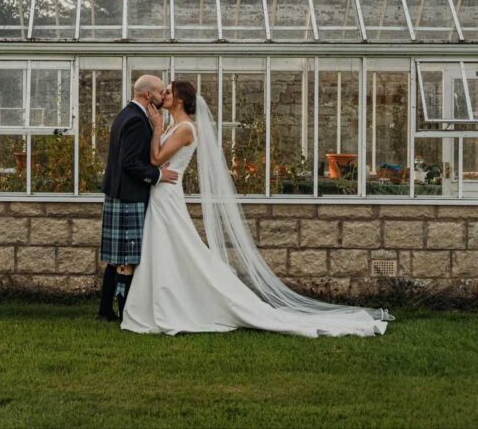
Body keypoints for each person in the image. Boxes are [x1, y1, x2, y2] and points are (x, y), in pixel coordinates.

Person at [120, 80, 393, 337]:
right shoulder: (173, 126)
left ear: (178, 100)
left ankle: (186, 303)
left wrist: (156, 130)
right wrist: (158, 133)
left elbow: (155, 158)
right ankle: (163, 301)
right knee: (166, 248)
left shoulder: (184, 129)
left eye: (167, 92)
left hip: (167, 195)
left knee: (177, 247)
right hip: (161, 193)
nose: (162, 97)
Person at [97, 75, 179, 321]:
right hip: (128, 196)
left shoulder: (127, 114)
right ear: (148, 96)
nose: (162, 97)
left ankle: (104, 311)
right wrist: (157, 174)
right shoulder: (135, 120)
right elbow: (129, 163)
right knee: (126, 259)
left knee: (115, 258)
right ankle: (125, 313)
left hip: (120, 193)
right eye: (159, 92)